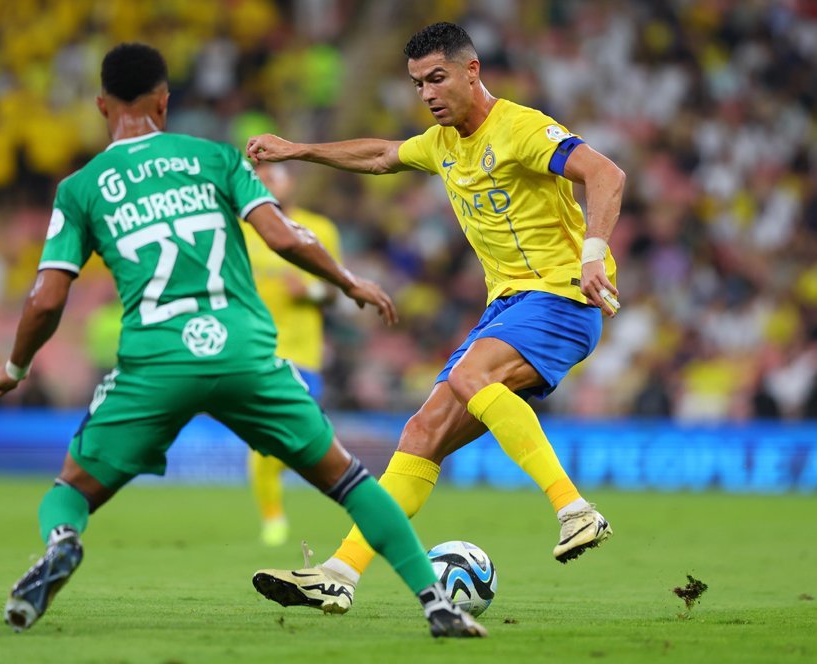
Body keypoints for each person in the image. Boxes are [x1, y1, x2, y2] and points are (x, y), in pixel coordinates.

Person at [0, 42, 485, 638]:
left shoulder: (81, 188)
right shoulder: (216, 159)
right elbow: (284, 238)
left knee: (70, 489)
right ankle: (436, 604)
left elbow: (46, 299)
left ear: (101, 105)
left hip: (156, 361)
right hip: (245, 352)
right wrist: (350, 283)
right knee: (351, 481)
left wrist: (15, 369)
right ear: (164, 104)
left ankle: (64, 541)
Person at [247, 22, 625, 614]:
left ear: (472, 71)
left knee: (473, 378)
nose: (426, 93)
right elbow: (379, 155)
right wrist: (299, 151)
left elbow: (607, 174)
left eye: (437, 78)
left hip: (561, 298)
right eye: (418, 82)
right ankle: (339, 573)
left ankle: (575, 510)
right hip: (508, 307)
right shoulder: (441, 144)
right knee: (421, 434)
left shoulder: (521, 128)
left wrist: (594, 254)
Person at [244, 162, 341, 547]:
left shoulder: (320, 229)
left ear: (291, 183)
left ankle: (328, 484)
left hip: (303, 353)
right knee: (263, 438)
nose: (265, 185)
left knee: (293, 438)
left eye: (273, 178)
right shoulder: (241, 230)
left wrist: (310, 291)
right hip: (254, 349)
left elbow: (336, 288)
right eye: (259, 180)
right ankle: (273, 519)